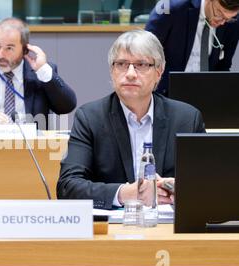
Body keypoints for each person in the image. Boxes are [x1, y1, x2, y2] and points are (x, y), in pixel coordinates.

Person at [57, 30, 206, 209]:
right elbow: (67, 187)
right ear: (112, 71)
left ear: (159, 72)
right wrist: (125, 193)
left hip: (168, 226)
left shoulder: (187, 119)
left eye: (141, 64)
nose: (130, 73)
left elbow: (208, 182)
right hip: (113, 230)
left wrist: (180, 189)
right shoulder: (90, 117)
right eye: (121, 64)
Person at [0, 17, 77, 129]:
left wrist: (43, 71)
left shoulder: (40, 73)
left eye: (9, 48)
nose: (0, 55)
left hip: (32, 147)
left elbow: (66, 107)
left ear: (25, 49)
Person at [145, 0, 239, 95]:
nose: (222, 22)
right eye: (219, 13)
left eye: (228, 18)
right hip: (165, 93)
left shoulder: (233, 22)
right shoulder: (171, 7)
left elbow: (223, 66)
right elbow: (145, 53)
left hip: (206, 94)